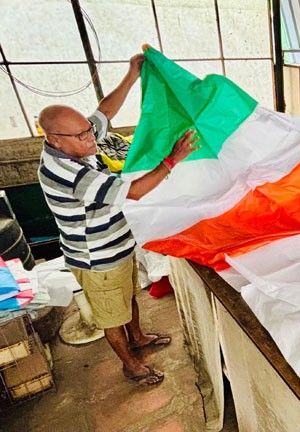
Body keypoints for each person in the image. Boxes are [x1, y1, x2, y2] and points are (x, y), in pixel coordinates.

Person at [37, 53, 200, 386]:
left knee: (127, 298)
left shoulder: (76, 139)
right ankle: (130, 365)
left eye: (87, 131)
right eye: (81, 136)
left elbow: (104, 112)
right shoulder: (66, 172)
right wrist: (174, 159)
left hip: (117, 246)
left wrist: (132, 74)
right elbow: (135, 191)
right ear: (54, 140)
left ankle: (137, 337)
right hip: (97, 259)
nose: (91, 138)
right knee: (112, 315)